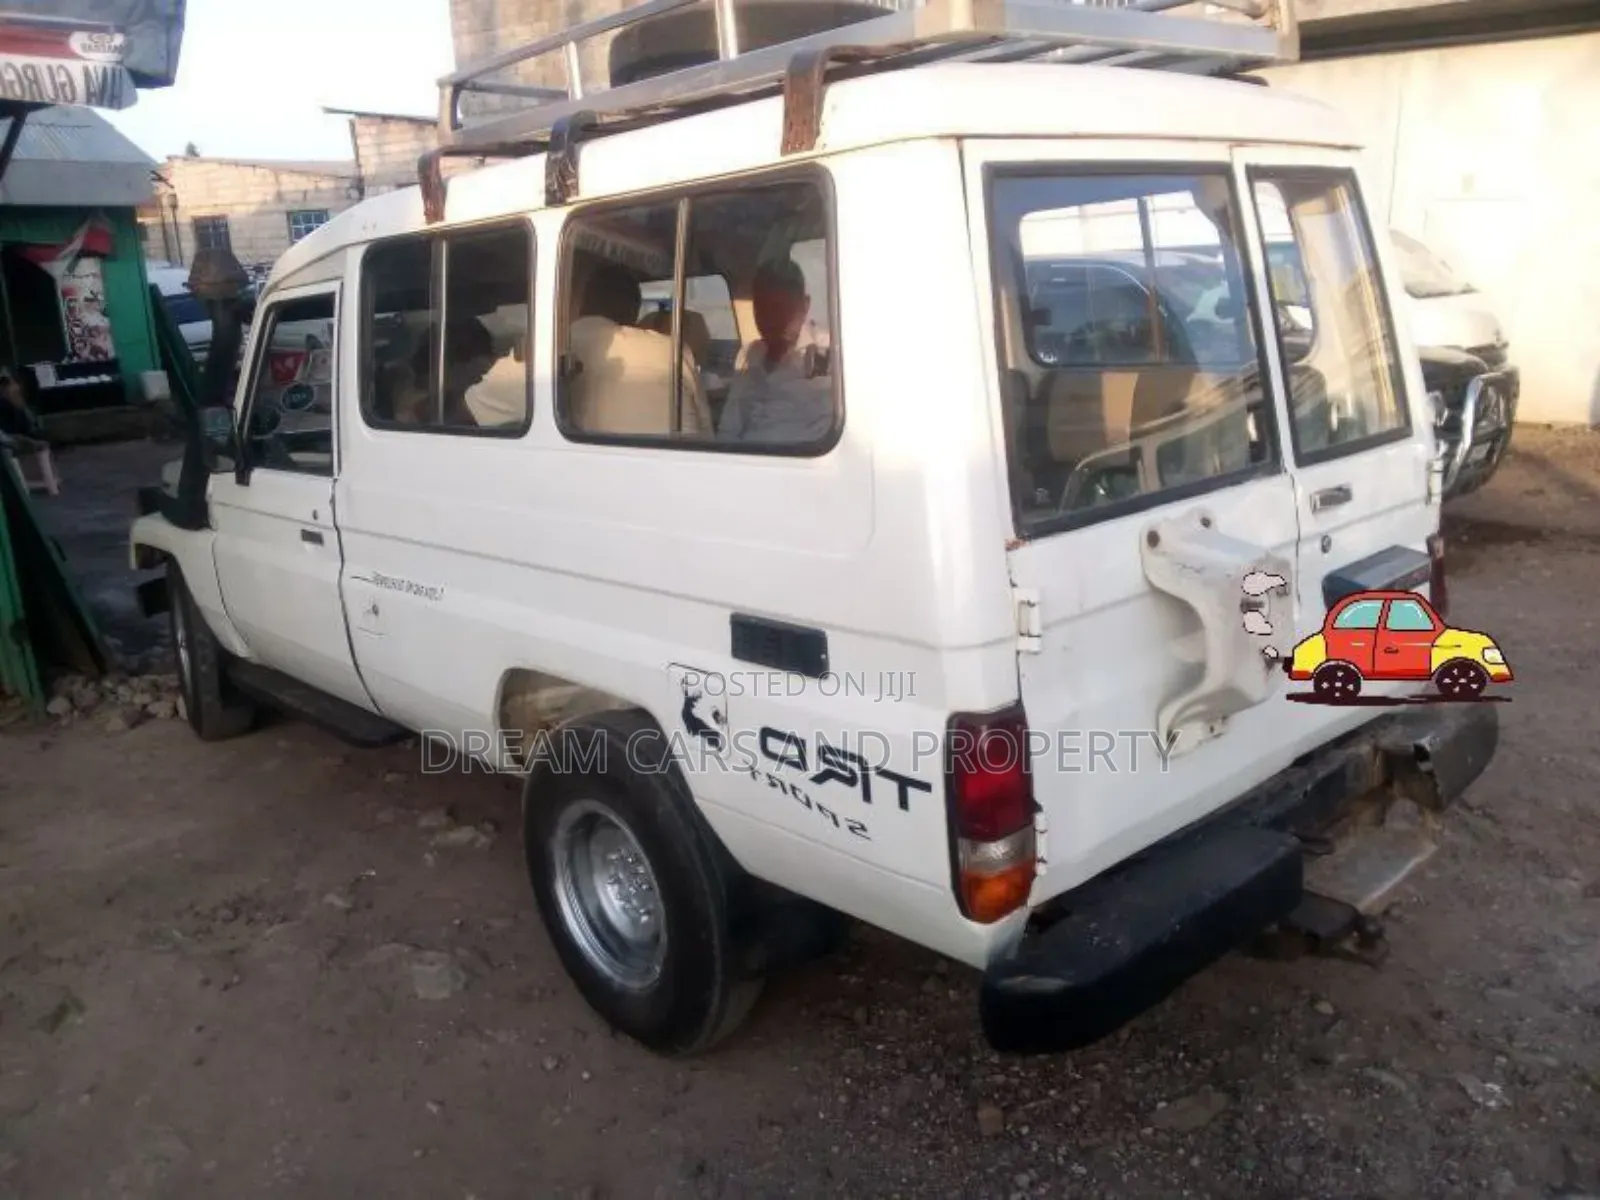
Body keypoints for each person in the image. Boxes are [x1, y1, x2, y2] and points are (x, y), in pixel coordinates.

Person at [566, 259, 710, 437]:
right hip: (676, 454)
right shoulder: (674, 351)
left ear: (583, 303)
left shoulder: (552, 349)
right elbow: (706, 431)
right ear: (633, 312)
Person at [718, 258, 833, 445]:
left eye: (780, 308)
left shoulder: (831, 354)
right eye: (762, 309)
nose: (771, 319)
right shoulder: (748, 355)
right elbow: (728, 429)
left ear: (805, 305)